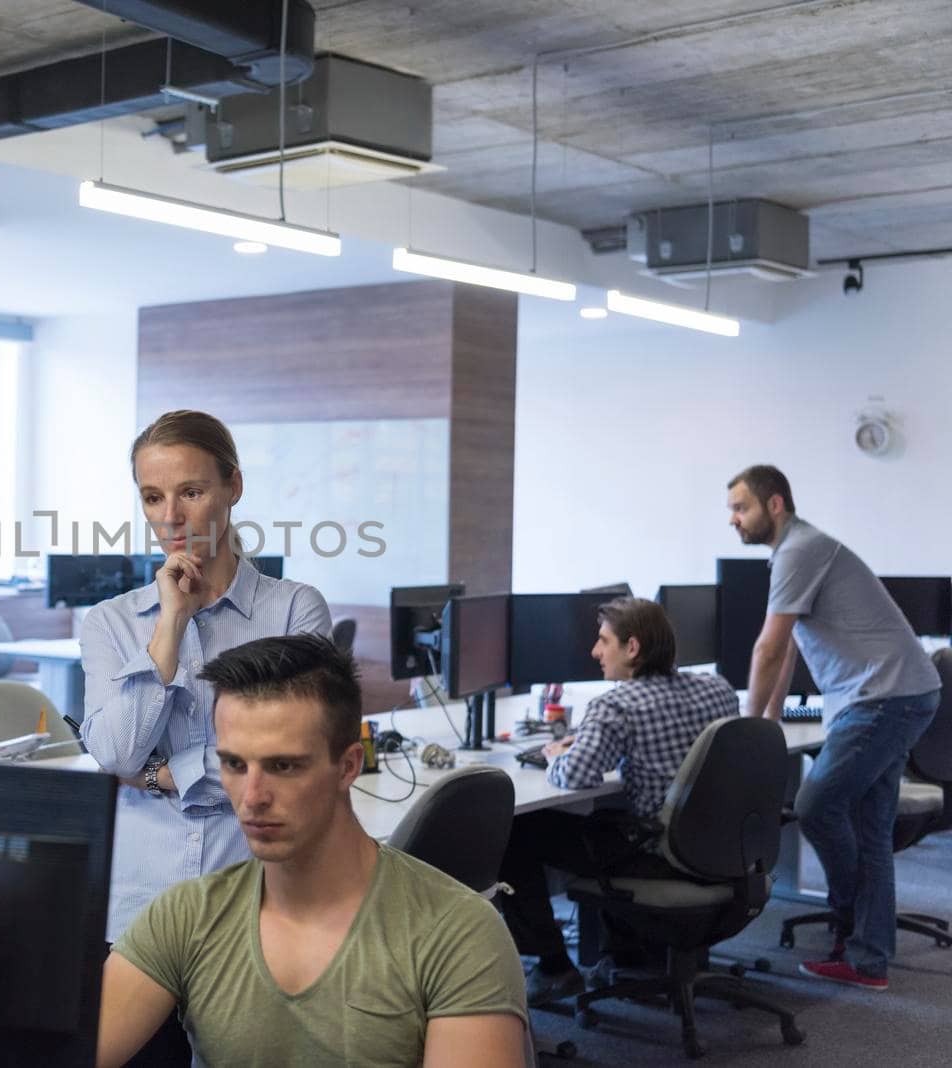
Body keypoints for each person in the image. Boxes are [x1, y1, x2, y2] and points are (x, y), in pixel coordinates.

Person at [96, 634, 527, 1068]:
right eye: (234, 765)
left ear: (348, 766)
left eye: (283, 766)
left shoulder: (458, 934)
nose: (252, 797)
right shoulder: (187, 915)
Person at [79, 411, 331, 1065]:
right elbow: (115, 754)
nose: (172, 516)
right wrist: (169, 624)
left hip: (255, 901)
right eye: (152, 497)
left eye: (191, 491)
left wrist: (165, 776)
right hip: (136, 910)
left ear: (233, 486)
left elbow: (285, 763)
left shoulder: (293, 611)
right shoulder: (111, 622)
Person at [727, 463, 940, 990]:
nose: (733, 520)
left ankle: (849, 913)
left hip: (883, 698)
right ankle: (867, 959)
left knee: (815, 805)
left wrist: (749, 729)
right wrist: (771, 716)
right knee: (871, 831)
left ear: (775, 504)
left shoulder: (799, 550)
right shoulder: (802, 551)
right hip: (902, 692)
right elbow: (792, 644)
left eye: (741, 507)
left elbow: (767, 645)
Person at [496, 597, 738, 1005]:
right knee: (608, 815)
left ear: (633, 648)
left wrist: (559, 754)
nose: (595, 651)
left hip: (658, 853)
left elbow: (576, 776)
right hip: (718, 846)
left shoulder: (617, 705)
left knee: (514, 832)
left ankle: (554, 967)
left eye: (603, 641)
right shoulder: (718, 688)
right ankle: (623, 954)